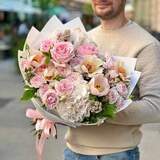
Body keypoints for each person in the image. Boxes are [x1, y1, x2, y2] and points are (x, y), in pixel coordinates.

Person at [64, 0, 160, 160]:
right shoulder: (83, 39)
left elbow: (156, 107)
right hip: (72, 151)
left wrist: (95, 110)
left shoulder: (147, 44)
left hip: (116, 154)